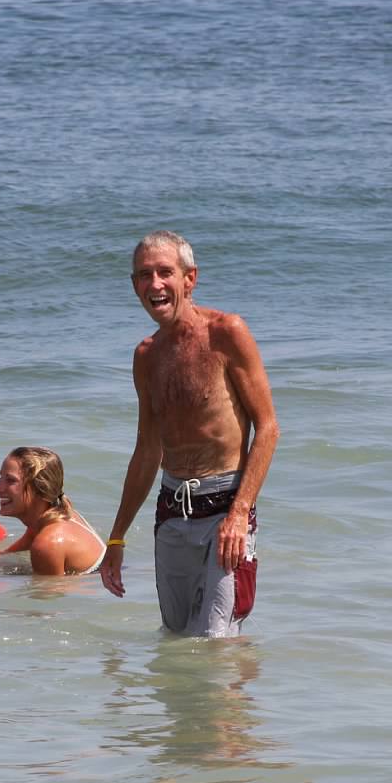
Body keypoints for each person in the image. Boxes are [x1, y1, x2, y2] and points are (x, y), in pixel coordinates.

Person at [100, 230, 280, 638]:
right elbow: (147, 450)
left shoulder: (226, 333)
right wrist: (116, 539)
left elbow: (268, 428)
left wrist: (239, 514)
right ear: (134, 285)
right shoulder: (146, 356)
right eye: (144, 275)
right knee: (177, 640)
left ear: (190, 279)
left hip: (225, 510)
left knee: (218, 641)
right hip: (172, 511)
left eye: (165, 272)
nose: (155, 284)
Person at [0, 446, 106, 576]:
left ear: (39, 488)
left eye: (11, 480)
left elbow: (47, 588)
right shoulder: (56, 516)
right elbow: (4, 555)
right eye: (0, 479)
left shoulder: (49, 543)